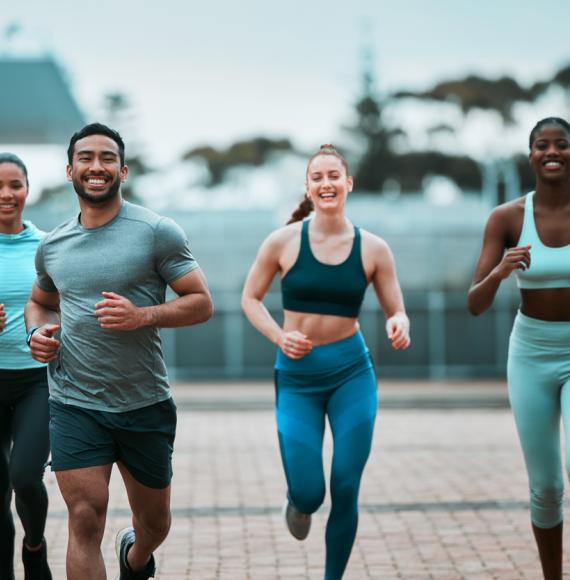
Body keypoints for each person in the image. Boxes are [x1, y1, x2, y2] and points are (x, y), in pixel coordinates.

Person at [24, 123, 214, 580]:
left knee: (154, 523)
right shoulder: (52, 245)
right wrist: (37, 334)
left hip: (142, 402)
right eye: (86, 158)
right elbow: (41, 302)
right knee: (84, 516)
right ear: (70, 170)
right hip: (74, 402)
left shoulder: (156, 232)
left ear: (122, 170)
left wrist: (143, 316)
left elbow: (201, 302)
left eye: (107, 158)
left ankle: (136, 556)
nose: (96, 166)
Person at [241, 144, 410, 579]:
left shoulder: (374, 249)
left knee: (346, 485)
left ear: (348, 183)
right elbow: (250, 299)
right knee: (310, 492)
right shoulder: (282, 242)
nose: (326, 183)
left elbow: (397, 309)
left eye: (334, 175)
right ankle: (297, 503)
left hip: (352, 372)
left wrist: (400, 323)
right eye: (317, 177)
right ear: (308, 187)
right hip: (297, 377)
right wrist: (280, 336)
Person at [468, 117, 570, 580]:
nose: (553, 153)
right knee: (546, 487)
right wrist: (501, 271)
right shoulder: (507, 218)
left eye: (562, 145)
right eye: (542, 146)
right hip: (530, 353)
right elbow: (474, 303)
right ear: (529, 155)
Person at [0, 153, 52, 579]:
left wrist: (52, 329)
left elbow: (68, 306)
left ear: (27, 189)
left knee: (25, 477)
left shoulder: (47, 246)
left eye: (15, 184)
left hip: (37, 381)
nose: (6, 194)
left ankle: (34, 548)